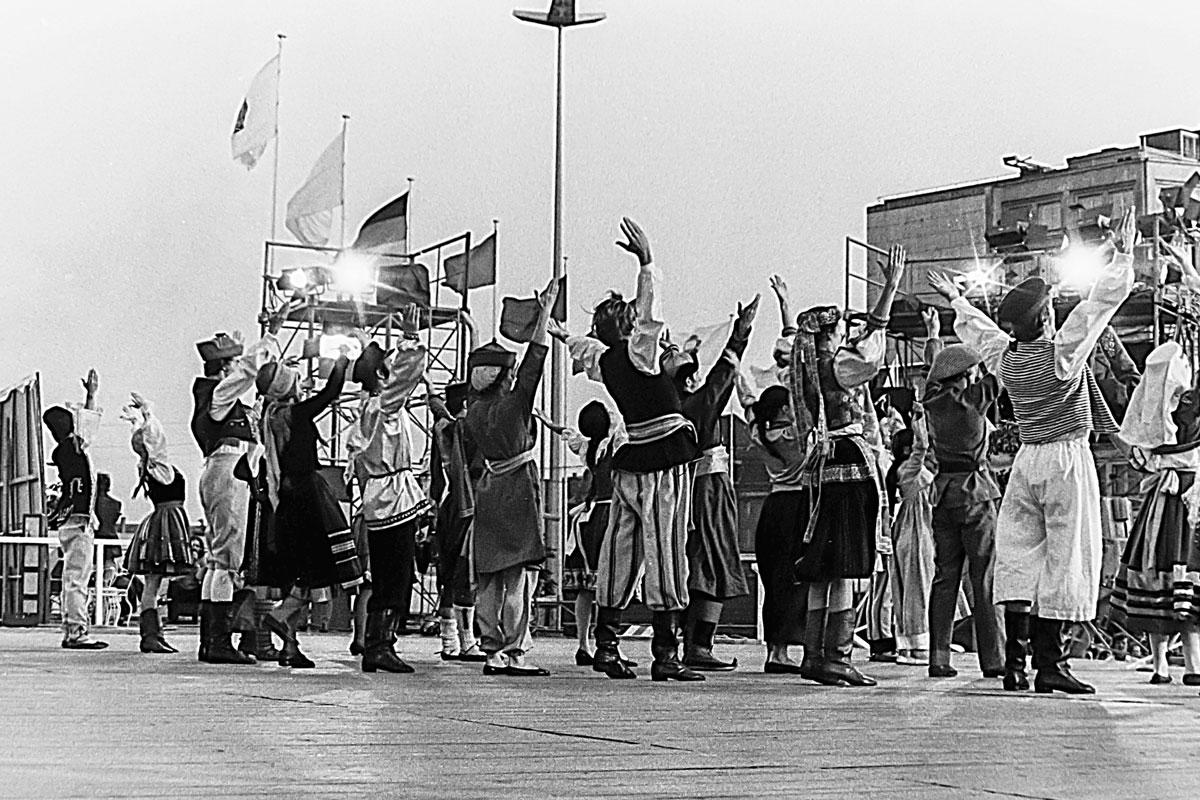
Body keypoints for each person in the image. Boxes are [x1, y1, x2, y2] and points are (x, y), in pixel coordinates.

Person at [929, 207, 1136, 695]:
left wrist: (958, 299)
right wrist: (1122, 254)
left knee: (1020, 556)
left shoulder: (1010, 358)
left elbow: (981, 333)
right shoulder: (1063, 352)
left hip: (1026, 461)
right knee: (1067, 557)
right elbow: (1099, 306)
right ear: (1044, 317)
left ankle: (1016, 665)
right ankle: (1050, 662)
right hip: (1066, 457)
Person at [553, 218, 706, 682]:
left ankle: (606, 647)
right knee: (665, 549)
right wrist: (647, 262)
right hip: (664, 458)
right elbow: (650, 318)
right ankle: (666, 655)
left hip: (629, 463)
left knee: (620, 552)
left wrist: (556, 331)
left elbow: (579, 346)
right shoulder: (640, 353)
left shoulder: (604, 361)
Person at [790, 245, 907, 687]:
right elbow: (871, 351)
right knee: (845, 565)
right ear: (830, 335)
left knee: (823, 567)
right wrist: (890, 288)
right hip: (850, 459)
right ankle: (836, 656)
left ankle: (814, 654)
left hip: (823, 464)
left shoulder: (808, 366)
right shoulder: (838, 364)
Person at [461, 277, 559, 677]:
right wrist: (546, 311)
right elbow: (536, 359)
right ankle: (515, 651)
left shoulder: (472, 412)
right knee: (517, 577)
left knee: (488, 578)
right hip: (518, 487)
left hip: (487, 489)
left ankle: (490, 651)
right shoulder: (514, 405)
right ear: (503, 376)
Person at [257, 351, 365, 668]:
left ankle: (290, 645)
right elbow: (330, 394)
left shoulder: (273, 416)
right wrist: (343, 361)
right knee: (318, 567)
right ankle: (280, 615)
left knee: (301, 571)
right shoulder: (296, 414)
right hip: (309, 495)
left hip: (290, 499)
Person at [345, 306, 434, 674]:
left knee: (385, 573)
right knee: (397, 574)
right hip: (394, 495)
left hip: (378, 497)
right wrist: (410, 340)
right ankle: (381, 644)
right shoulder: (384, 405)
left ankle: (377, 644)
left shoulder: (366, 407)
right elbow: (404, 376)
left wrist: (369, 341)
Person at [919, 307, 1004, 681]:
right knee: (984, 577)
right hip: (975, 492)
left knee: (945, 577)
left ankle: (938, 657)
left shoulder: (932, 402)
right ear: (965, 376)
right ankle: (993, 658)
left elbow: (932, 372)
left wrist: (934, 336)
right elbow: (1001, 366)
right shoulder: (973, 402)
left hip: (943, 494)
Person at [191, 318, 283, 665]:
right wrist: (269, 337)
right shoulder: (215, 395)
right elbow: (246, 372)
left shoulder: (216, 401)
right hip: (229, 470)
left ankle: (211, 640)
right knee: (227, 559)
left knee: (218, 559)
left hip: (222, 468)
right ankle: (218, 642)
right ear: (224, 367)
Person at [675, 295, 759, 672]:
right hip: (707, 487)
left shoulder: (661, 405)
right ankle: (700, 646)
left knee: (692, 562)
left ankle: (687, 644)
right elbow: (721, 381)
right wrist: (739, 337)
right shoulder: (695, 405)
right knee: (713, 560)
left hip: (680, 489)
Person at [1112, 339, 1200, 686]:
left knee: (1156, 574)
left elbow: (1137, 455)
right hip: (1190, 501)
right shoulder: (1191, 407)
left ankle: (1161, 666)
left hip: (1160, 508)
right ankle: (1193, 665)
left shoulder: (1153, 415)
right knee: (1188, 579)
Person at [121, 393, 194, 654]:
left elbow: (149, 441)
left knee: (154, 584)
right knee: (154, 583)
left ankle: (153, 634)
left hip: (160, 522)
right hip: (167, 523)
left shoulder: (148, 467)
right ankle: (151, 635)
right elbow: (155, 440)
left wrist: (138, 421)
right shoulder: (159, 468)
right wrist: (147, 414)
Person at [44, 368, 106, 650]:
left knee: (72, 578)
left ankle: (71, 629)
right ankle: (78, 631)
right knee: (78, 579)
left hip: (70, 521)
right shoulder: (74, 448)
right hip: (80, 522)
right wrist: (91, 395)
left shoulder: (61, 452)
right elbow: (89, 428)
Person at [430, 382, 486, 663]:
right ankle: (466, 641)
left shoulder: (441, 430)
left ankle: (449, 641)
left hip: (447, 506)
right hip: (470, 504)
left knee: (448, 577)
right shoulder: (467, 431)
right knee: (466, 574)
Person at [886, 407, 935, 666]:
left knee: (907, 588)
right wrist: (920, 420)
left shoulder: (900, 471)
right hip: (916, 531)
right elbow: (923, 446)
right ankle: (919, 645)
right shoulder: (910, 468)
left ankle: (907, 645)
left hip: (908, 529)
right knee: (918, 587)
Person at [93, 473, 122, 586]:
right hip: (111, 538)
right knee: (109, 569)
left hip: (95, 537)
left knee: (92, 569)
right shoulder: (116, 504)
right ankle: (106, 590)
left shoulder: (91, 504)